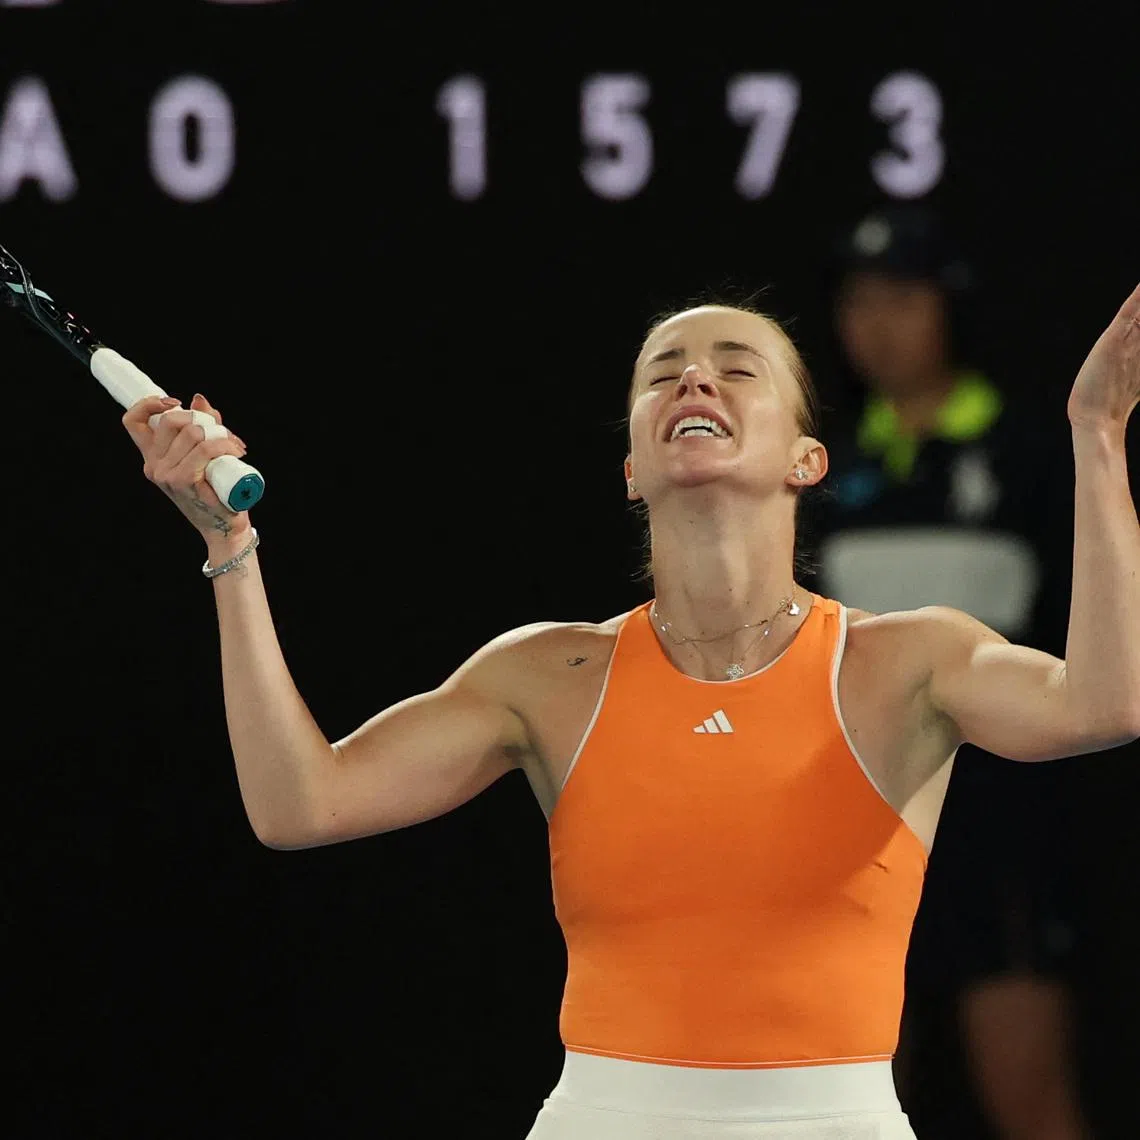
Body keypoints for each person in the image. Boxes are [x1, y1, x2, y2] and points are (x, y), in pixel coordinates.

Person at [121, 281, 1140, 1140]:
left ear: (807, 459)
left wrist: (1096, 435)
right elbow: (299, 805)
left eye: (737, 366)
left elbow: (1107, 701)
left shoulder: (910, 660)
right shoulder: (548, 674)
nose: (694, 380)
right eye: (664, 373)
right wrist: (229, 550)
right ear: (632, 470)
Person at [810, 203, 1094, 1139]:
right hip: (858, 828)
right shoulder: (821, 469)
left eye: (902, 298)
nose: (877, 325)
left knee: (1029, 1099)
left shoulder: (1033, 453)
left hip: (1002, 832)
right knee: (851, 1107)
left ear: (950, 306)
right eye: (858, 302)